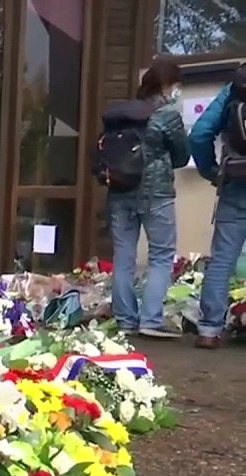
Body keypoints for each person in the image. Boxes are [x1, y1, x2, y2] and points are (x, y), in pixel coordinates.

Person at [95, 58, 188, 339]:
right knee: (161, 255)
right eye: (176, 84)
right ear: (166, 85)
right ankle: (150, 320)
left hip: (119, 192)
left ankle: (126, 320)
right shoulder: (167, 115)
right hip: (155, 194)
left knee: (123, 256)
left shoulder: (120, 115)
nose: (178, 90)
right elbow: (182, 156)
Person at [189, 62, 246, 349]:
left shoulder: (234, 89)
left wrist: (210, 170)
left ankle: (209, 330)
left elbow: (199, 133)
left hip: (236, 182)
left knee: (222, 259)